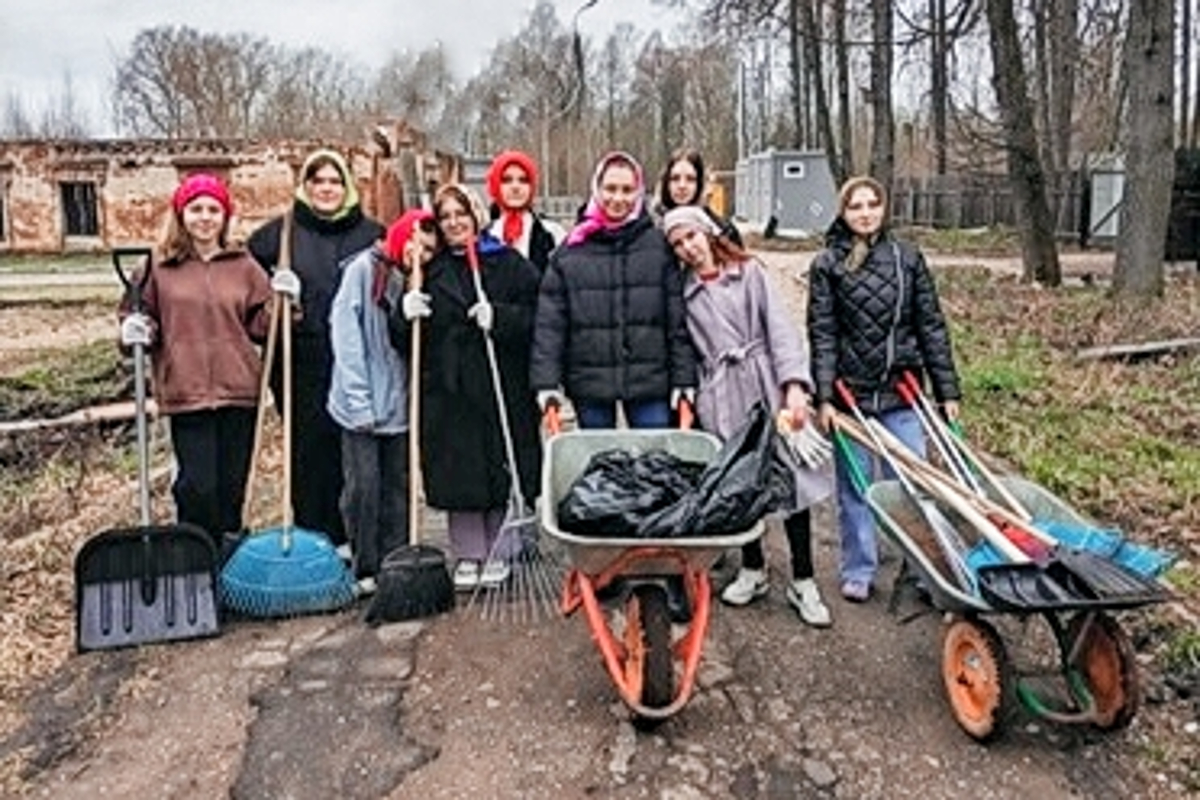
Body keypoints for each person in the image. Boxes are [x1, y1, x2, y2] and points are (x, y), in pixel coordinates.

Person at [662, 205, 833, 627]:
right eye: (678, 244)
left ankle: (804, 578)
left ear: (708, 234)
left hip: (766, 384)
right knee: (741, 482)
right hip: (722, 394)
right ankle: (753, 568)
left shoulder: (750, 272)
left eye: (692, 237)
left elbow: (782, 331)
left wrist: (794, 386)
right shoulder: (683, 293)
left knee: (790, 477)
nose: (688, 248)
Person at [808, 175, 963, 603]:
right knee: (856, 489)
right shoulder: (827, 264)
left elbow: (931, 326)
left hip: (902, 392)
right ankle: (859, 567)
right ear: (844, 212)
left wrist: (947, 390)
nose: (864, 213)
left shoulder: (907, 258)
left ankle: (921, 567)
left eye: (871, 205)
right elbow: (822, 333)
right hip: (850, 395)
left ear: (883, 208)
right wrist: (823, 397)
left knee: (911, 486)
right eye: (855, 206)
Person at [118, 173, 280, 552]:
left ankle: (230, 566)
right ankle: (194, 559)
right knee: (196, 485)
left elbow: (260, 327)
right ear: (180, 214)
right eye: (196, 209)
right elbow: (138, 318)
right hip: (186, 391)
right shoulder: (158, 268)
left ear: (225, 217)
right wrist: (134, 330)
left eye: (213, 210)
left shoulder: (243, 265)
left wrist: (283, 304)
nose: (205, 218)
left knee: (231, 486)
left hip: (239, 391)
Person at [248, 149, 385, 550]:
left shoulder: (371, 235)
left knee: (354, 451)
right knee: (309, 451)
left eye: (334, 181)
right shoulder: (276, 236)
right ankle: (313, 538)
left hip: (358, 360)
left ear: (347, 187)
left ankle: (356, 538)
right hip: (301, 362)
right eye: (318, 181)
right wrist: (273, 298)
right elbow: (246, 298)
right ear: (305, 187)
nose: (326, 189)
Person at [407, 183, 542, 591]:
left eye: (459, 214)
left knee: (500, 464)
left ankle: (503, 547)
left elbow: (538, 314)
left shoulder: (508, 263)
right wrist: (406, 312)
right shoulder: (431, 271)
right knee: (459, 470)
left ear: (476, 215)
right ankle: (468, 553)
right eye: (445, 217)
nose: (453, 223)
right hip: (450, 390)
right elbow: (410, 340)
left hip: (500, 381)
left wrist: (499, 316)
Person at [531, 151, 697, 430]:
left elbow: (676, 323)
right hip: (590, 382)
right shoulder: (570, 252)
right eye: (610, 189)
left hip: (650, 381)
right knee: (600, 465)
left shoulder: (658, 249)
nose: (618, 199)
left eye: (627, 190)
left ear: (639, 193)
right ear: (597, 189)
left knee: (653, 462)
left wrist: (684, 378)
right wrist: (546, 383)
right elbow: (550, 325)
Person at [327, 208, 437, 595]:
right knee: (364, 487)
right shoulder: (362, 270)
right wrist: (358, 399)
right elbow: (346, 336)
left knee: (398, 485)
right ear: (400, 235)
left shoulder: (415, 282)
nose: (419, 254)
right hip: (361, 402)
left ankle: (396, 561)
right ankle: (364, 565)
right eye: (415, 243)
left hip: (398, 404)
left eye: (427, 250)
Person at [485, 149, 565, 273]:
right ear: (495, 185)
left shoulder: (552, 233)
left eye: (523, 180)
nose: (515, 187)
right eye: (507, 180)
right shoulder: (485, 236)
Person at [655, 147, 742, 247]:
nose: (682, 186)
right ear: (666, 183)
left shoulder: (723, 230)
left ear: (699, 184)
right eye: (675, 178)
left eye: (690, 179)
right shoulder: (654, 229)